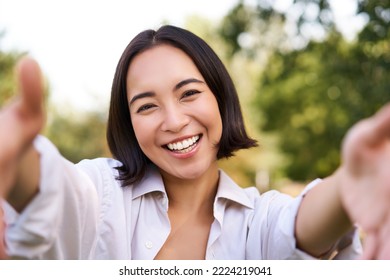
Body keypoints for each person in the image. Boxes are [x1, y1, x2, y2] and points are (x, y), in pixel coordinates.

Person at [0, 25, 390, 260]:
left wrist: (348, 184)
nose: (173, 121)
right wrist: (16, 160)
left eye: (188, 94)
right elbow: (52, 190)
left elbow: (301, 228)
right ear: (129, 122)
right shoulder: (103, 193)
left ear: (219, 97)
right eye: (147, 106)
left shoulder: (257, 218)